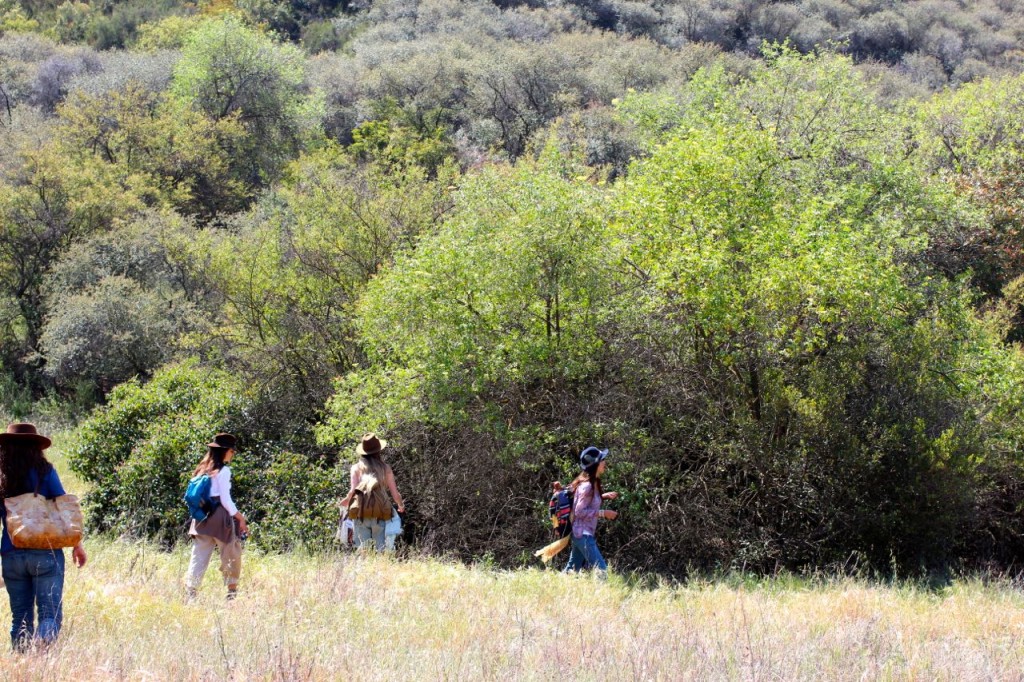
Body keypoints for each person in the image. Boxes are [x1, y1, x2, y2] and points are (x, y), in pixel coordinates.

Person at [0, 422, 87, 649]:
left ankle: (23, 664)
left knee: (20, 617)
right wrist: (76, 544)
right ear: (36, 447)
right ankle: (42, 657)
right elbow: (63, 508)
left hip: (11, 554)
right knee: (49, 613)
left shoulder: (2, 476)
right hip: (46, 552)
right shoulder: (44, 472)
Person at [184, 433, 248, 600]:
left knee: (199, 555)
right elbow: (226, 499)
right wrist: (240, 518)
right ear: (225, 451)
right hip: (219, 517)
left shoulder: (201, 469)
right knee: (231, 552)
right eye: (232, 451)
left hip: (201, 517)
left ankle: (191, 595)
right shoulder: (224, 470)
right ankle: (231, 595)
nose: (233, 454)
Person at [340, 433, 405, 551]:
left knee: (362, 549)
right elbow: (395, 494)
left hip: (360, 512)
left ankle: (363, 567)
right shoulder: (385, 468)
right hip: (381, 512)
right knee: (380, 548)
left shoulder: (356, 468)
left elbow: (352, 492)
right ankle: (379, 567)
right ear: (378, 451)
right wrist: (400, 505)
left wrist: (344, 503)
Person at [563, 446, 618, 576]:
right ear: (596, 465)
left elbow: (586, 503)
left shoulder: (591, 484)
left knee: (571, 572)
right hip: (582, 535)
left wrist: (603, 496)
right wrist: (604, 513)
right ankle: (603, 596)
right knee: (602, 569)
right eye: (602, 460)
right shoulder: (588, 487)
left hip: (579, 534)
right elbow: (579, 511)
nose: (605, 462)